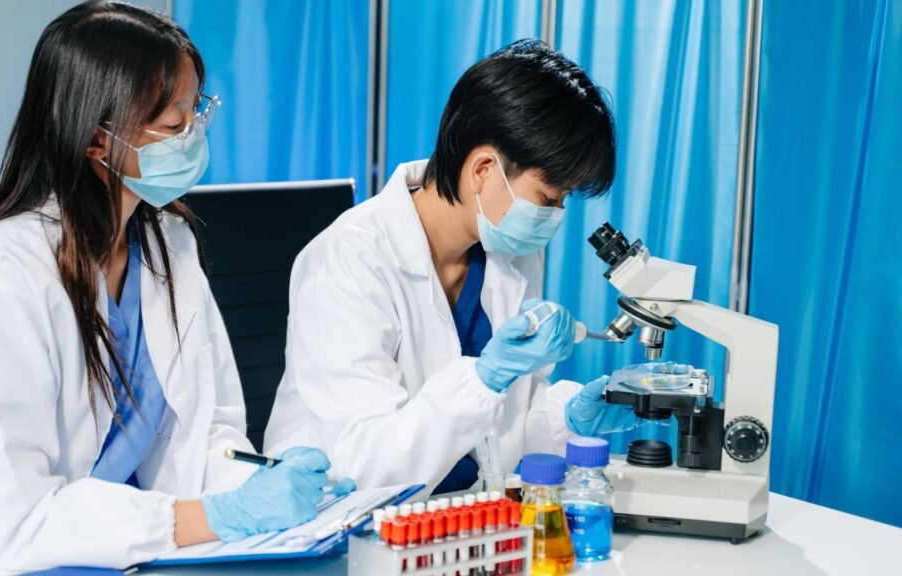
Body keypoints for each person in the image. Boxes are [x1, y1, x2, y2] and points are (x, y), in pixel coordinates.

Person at [0, 3, 349, 575]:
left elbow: (206, 432)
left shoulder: (166, 245)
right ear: (97, 141)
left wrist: (264, 479)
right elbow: (22, 521)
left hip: (118, 550)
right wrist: (214, 516)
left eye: (196, 115)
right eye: (174, 126)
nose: (193, 138)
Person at [265, 40, 648, 494]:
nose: (555, 215)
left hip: (466, 520)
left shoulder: (510, 251)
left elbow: (504, 424)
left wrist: (565, 414)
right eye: (548, 198)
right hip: (350, 526)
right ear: (484, 168)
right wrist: (483, 379)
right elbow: (365, 464)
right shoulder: (349, 261)